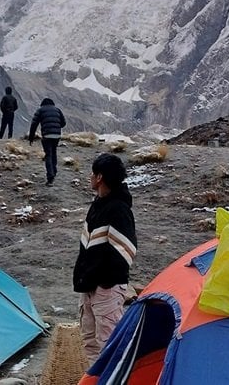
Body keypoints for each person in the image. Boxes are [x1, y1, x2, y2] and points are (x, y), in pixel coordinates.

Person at [73, 153, 137, 366]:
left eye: (93, 173)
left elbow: (126, 251)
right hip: (89, 285)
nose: (90, 177)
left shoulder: (118, 209)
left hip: (105, 288)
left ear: (99, 177)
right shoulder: (99, 204)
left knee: (109, 344)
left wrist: (104, 282)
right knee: (90, 341)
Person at [28, 97, 66, 186]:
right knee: (54, 152)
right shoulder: (57, 110)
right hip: (57, 135)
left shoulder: (40, 110)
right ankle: (54, 170)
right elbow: (63, 123)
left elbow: (34, 124)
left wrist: (31, 137)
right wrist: (56, 126)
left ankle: (50, 177)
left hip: (47, 135)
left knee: (48, 154)